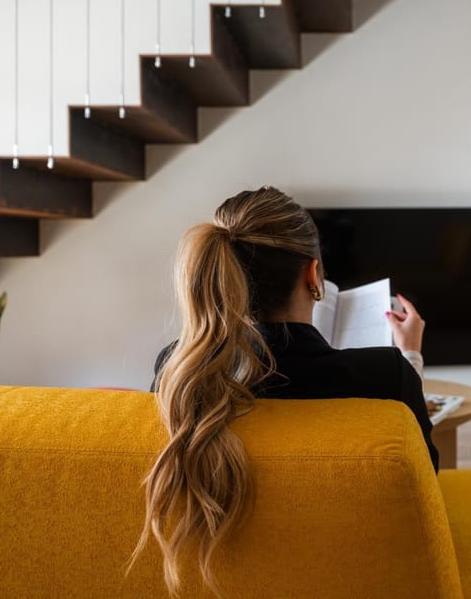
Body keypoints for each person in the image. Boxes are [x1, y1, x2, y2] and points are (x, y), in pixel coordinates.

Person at [134, 187, 437, 596]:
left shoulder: (179, 372)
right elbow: (424, 485)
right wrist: (411, 358)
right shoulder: (386, 375)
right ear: (314, 277)